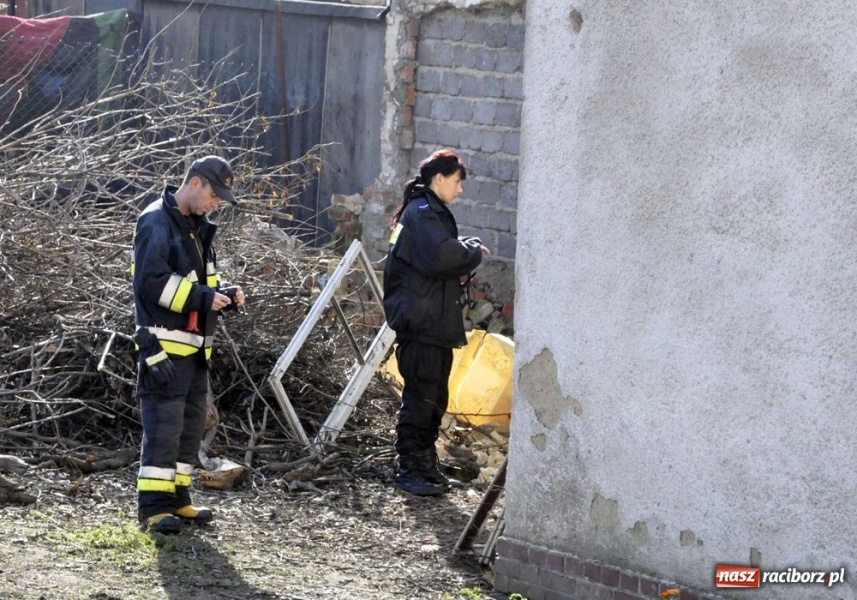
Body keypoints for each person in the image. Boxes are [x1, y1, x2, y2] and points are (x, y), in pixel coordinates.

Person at [131, 155, 245, 533]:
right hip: (163, 348)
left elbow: (198, 283)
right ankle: (153, 508)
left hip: (194, 350)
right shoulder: (155, 221)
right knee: (163, 429)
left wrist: (223, 294)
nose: (217, 204)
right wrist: (200, 297)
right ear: (194, 183)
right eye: (214, 194)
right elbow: (151, 282)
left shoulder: (195, 227)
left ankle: (178, 501)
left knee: (189, 428)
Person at [383, 149, 490, 497]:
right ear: (439, 179)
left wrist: (464, 250)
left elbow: (440, 253)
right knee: (420, 399)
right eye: (457, 182)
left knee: (433, 399)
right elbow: (443, 256)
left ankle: (425, 466)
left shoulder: (426, 212)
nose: (460, 190)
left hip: (431, 325)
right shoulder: (424, 211)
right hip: (422, 324)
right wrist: (471, 252)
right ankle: (410, 468)